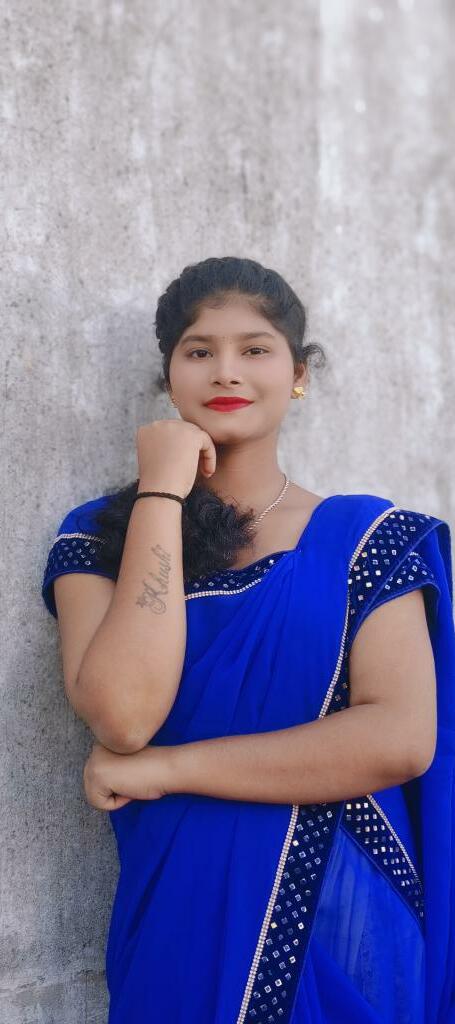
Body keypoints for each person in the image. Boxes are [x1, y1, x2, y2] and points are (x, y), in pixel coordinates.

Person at [41, 256, 454, 1023]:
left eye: (254, 349)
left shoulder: (365, 538)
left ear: (296, 375)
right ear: (169, 377)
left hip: (344, 917)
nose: (225, 370)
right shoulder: (101, 536)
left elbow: (398, 738)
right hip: (178, 909)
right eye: (198, 350)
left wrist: (170, 768)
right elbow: (123, 716)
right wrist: (161, 491)